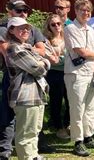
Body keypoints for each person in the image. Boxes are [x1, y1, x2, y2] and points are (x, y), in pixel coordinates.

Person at [5, 17, 50, 160]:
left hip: (36, 93)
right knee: (25, 133)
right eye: (20, 28)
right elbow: (36, 68)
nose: (25, 30)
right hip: (24, 95)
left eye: (27, 28)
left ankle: (33, 155)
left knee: (35, 129)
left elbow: (41, 63)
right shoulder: (13, 47)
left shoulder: (27, 47)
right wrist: (44, 62)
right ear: (11, 30)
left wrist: (43, 62)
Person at [64, 0, 94, 157]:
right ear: (76, 11)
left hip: (90, 74)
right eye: (83, 10)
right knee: (77, 109)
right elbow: (82, 51)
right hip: (76, 74)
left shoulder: (90, 30)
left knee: (90, 107)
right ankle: (78, 141)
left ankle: (88, 137)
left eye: (88, 11)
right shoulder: (71, 28)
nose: (86, 13)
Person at [43, 14, 70, 139]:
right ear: (49, 27)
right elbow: (52, 60)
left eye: (58, 23)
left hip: (68, 72)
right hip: (54, 74)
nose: (57, 26)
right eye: (53, 24)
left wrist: (60, 57)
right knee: (56, 101)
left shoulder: (68, 37)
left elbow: (72, 54)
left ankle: (67, 124)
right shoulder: (46, 40)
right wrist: (64, 58)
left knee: (71, 100)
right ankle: (59, 127)